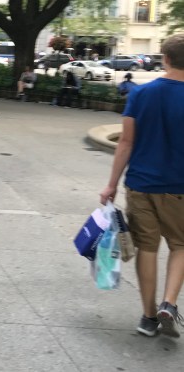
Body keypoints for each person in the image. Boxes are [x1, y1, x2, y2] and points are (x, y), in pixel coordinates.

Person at [99, 34, 184, 338]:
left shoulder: (140, 94)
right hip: (179, 187)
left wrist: (111, 185)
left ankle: (148, 317)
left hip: (140, 185)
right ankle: (169, 303)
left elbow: (125, 142)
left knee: (147, 248)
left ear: (165, 59)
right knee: (181, 245)